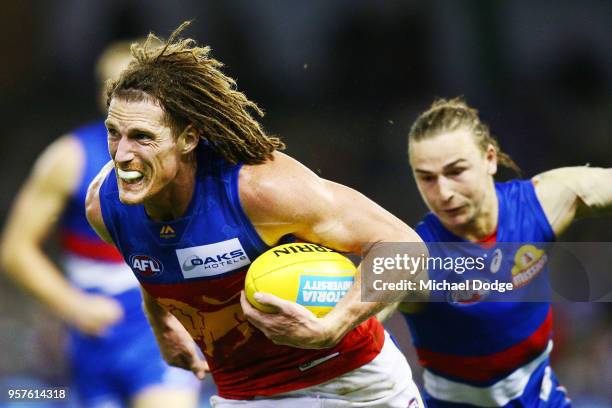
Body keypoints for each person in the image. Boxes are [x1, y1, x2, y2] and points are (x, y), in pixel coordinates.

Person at [84, 22, 426, 407]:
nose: (122, 154)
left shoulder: (260, 189)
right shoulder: (105, 206)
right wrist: (161, 322)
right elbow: (150, 257)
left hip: (353, 385)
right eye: (115, 133)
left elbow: (404, 248)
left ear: (188, 138)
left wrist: (333, 326)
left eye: (143, 137)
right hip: (244, 396)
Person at [0, 40, 201, 408]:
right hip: (94, 334)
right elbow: (15, 250)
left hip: (157, 329)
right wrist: (72, 305)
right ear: (103, 93)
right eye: (118, 88)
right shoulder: (69, 157)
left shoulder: (187, 153)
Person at [399, 97, 612, 407]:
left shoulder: (540, 205)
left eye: (456, 171)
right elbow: (362, 307)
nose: (443, 193)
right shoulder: (415, 254)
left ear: (489, 159)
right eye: (427, 178)